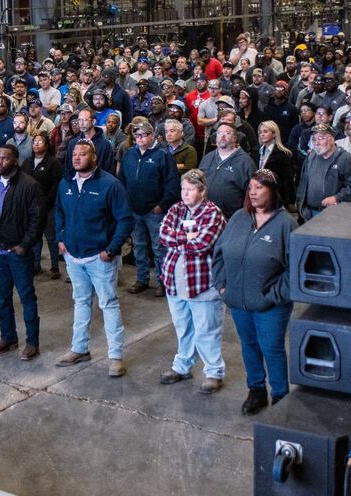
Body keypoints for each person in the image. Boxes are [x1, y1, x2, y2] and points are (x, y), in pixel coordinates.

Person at [214, 169, 295, 415]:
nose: (253, 192)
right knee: (249, 345)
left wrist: (273, 295)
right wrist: (223, 285)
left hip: (271, 305)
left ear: (273, 191)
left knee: (272, 348)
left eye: (259, 187)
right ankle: (256, 390)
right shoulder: (239, 218)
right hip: (238, 302)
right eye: (250, 187)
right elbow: (219, 253)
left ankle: (280, 397)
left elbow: (296, 269)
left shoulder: (286, 224)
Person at [54, 140, 134, 377]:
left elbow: (125, 220)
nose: (77, 158)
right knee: (80, 302)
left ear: (94, 157)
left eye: (82, 154)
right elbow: (59, 211)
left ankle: (115, 357)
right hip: (73, 256)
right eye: (74, 154)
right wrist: (61, 238)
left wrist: (111, 249)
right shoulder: (66, 183)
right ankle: (79, 349)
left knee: (108, 304)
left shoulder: (110, 184)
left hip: (100, 258)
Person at [157, 169, 228, 394]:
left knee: (207, 330)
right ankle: (182, 367)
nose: (185, 193)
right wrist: (185, 237)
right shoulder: (176, 209)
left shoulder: (213, 214)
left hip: (202, 285)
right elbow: (163, 234)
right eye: (183, 189)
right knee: (183, 328)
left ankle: (214, 373)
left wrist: (178, 239)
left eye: (190, 189)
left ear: (202, 191)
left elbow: (202, 244)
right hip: (174, 282)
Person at [0, 144, 44, 360]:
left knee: (27, 297)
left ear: (15, 161)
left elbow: (37, 219)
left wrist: (24, 245)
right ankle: (8, 337)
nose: (0, 162)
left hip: (18, 253)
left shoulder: (29, 185)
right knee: (2, 298)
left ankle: (32, 342)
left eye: (5, 158)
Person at [120, 118, 180, 297]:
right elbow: (122, 179)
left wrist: (162, 205)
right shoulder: (129, 154)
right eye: (136, 135)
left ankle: (162, 282)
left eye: (143, 135)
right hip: (134, 210)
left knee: (159, 248)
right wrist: (126, 203)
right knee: (138, 247)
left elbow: (172, 184)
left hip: (155, 212)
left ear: (152, 135)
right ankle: (142, 279)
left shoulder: (163, 155)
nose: (139, 138)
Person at [295, 124, 351, 220]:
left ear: (331, 139)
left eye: (320, 138)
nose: (316, 143)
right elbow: (303, 181)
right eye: (314, 139)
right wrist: (300, 204)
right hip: (309, 212)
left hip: (334, 214)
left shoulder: (345, 159)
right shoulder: (311, 156)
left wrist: (336, 198)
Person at [24, 133, 63, 279]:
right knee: (35, 237)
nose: (36, 144)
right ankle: (36, 265)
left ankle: (55, 267)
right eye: (34, 141)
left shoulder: (53, 163)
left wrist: (46, 202)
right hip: (31, 207)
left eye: (40, 141)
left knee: (51, 237)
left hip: (48, 207)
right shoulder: (27, 162)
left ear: (46, 145)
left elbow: (56, 184)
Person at [198, 121, 255, 218]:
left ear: (235, 138)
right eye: (219, 133)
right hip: (205, 215)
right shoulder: (207, 158)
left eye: (228, 133)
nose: (223, 136)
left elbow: (252, 193)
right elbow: (197, 183)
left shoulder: (246, 162)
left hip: (232, 218)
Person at [254, 121, 294, 205]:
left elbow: (287, 179)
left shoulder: (282, 154)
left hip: (275, 194)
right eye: (260, 132)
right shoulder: (256, 151)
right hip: (257, 192)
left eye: (265, 131)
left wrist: (289, 200)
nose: (262, 134)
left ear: (274, 134)